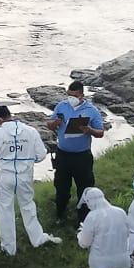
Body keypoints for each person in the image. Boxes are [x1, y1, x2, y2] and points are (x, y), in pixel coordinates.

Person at [0, 106, 61, 257]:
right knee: (28, 207)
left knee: (5, 211)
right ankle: (37, 239)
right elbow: (41, 155)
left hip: (5, 176)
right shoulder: (30, 131)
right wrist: (28, 159)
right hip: (25, 175)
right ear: (10, 115)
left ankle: (9, 249)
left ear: (0, 120)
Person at [48, 80, 105, 223]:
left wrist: (89, 130)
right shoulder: (61, 106)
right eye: (69, 95)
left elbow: (100, 132)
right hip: (63, 154)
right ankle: (60, 214)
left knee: (85, 188)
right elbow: (49, 123)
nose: (70, 98)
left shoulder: (92, 110)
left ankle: (84, 218)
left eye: (74, 95)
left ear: (81, 95)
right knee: (61, 187)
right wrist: (54, 124)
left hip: (82, 156)